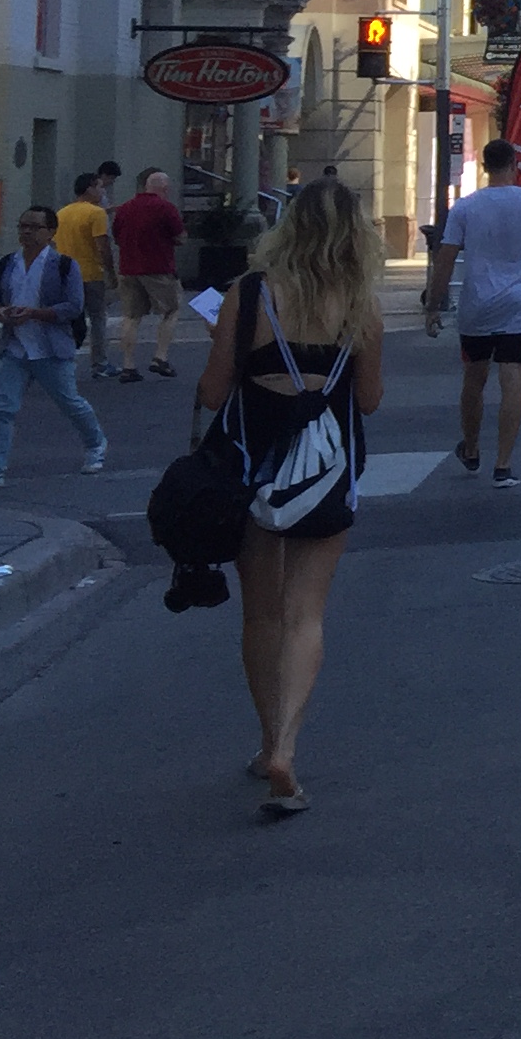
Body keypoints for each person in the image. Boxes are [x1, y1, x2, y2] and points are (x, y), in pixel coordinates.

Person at [197, 180, 387, 819]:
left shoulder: (249, 293)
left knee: (261, 615)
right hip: (326, 467)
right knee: (306, 614)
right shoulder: (359, 304)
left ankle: (264, 740)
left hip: (252, 462)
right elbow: (368, 400)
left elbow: (213, 392)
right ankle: (286, 747)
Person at [425, 139, 521, 488]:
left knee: (474, 379)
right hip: (519, 307)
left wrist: (433, 305)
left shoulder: (465, 207)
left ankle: (472, 448)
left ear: (484, 166)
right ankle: (503, 464)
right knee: (513, 380)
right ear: (514, 165)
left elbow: (445, 258)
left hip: (476, 306)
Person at [0, 206, 108, 486]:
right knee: (2, 407)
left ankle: (95, 443)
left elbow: (73, 306)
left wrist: (35, 313)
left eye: (34, 227)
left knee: (70, 402)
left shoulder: (64, 265)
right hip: (14, 347)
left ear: (51, 232)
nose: (27, 232)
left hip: (50, 349)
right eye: (23, 226)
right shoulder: (6, 264)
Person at [110, 168, 186, 382]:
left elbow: (117, 236)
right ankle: (160, 357)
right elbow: (180, 237)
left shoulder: (125, 208)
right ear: (165, 188)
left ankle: (128, 366)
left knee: (131, 317)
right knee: (171, 310)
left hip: (128, 268)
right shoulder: (165, 208)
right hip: (159, 268)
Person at [54, 172, 117, 380]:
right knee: (98, 318)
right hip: (91, 272)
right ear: (90, 188)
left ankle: (62, 358)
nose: (102, 191)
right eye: (100, 187)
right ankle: (100, 362)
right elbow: (103, 246)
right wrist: (110, 272)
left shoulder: (62, 213)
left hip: (66, 274)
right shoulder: (96, 213)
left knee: (69, 318)